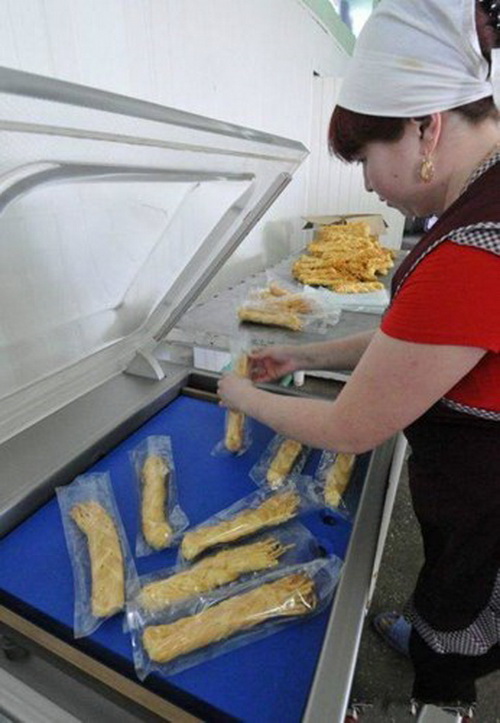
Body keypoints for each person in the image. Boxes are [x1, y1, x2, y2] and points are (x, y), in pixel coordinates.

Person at [217, 0, 500, 715]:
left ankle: (440, 704)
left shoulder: (474, 246)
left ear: (426, 128)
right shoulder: (482, 202)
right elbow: (420, 340)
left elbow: (350, 429)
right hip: (470, 481)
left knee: (461, 613)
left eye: (367, 159)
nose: (368, 184)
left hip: (486, 497)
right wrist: (304, 356)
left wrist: (241, 395)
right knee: (447, 588)